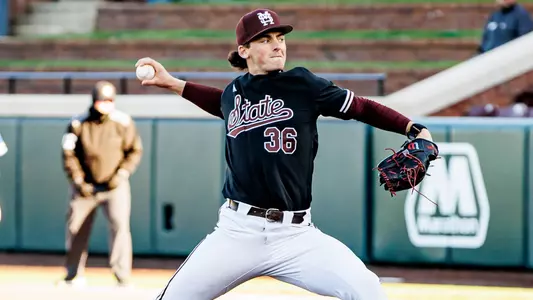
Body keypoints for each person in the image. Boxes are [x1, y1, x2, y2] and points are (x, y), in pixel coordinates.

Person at [136, 8, 434, 300]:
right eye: (265, 39)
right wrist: (173, 84)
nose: (277, 44)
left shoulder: (304, 85)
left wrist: (412, 128)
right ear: (244, 50)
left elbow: (362, 107)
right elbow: (221, 103)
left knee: (367, 289)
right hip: (237, 232)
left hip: (296, 236)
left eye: (280, 37)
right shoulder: (234, 93)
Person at [59, 81, 143, 287]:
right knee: (75, 227)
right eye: (102, 100)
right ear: (94, 101)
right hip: (85, 188)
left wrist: (121, 174)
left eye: (110, 100)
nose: (106, 104)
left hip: (114, 187)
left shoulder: (123, 122)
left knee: (120, 228)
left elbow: (134, 151)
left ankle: (122, 277)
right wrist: (78, 180)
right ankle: (73, 275)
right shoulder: (78, 123)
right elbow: (68, 154)